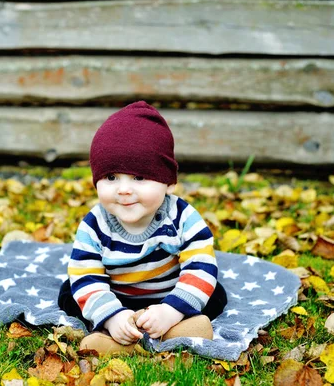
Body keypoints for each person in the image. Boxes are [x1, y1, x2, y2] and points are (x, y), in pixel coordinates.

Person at [58, 101, 227, 354]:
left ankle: (173, 328)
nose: (124, 189)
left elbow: (200, 264)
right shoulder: (94, 224)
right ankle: (119, 335)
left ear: (168, 182)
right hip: (117, 296)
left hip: (170, 293)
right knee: (71, 292)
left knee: (214, 291)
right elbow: (87, 275)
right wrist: (113, 315)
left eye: (138, 178)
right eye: (111, 177)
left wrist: (171, 310)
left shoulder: (182, 217)